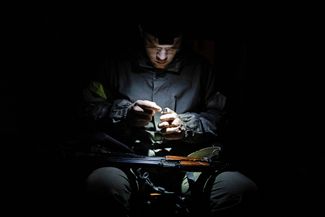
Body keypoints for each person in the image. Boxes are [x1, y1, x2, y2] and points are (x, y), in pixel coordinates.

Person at [80, 23, 258, 217]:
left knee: (238, 189)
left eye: (171, 49)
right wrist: (124, 114)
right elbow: (88, 109)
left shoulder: (201, 70)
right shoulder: (114, 65)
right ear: (141, 33)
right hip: (128, 162)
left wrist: (187, 126)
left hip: (190, 164)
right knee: (103, 185)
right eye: (154, 47)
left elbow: (222, 118)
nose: (162, 57)